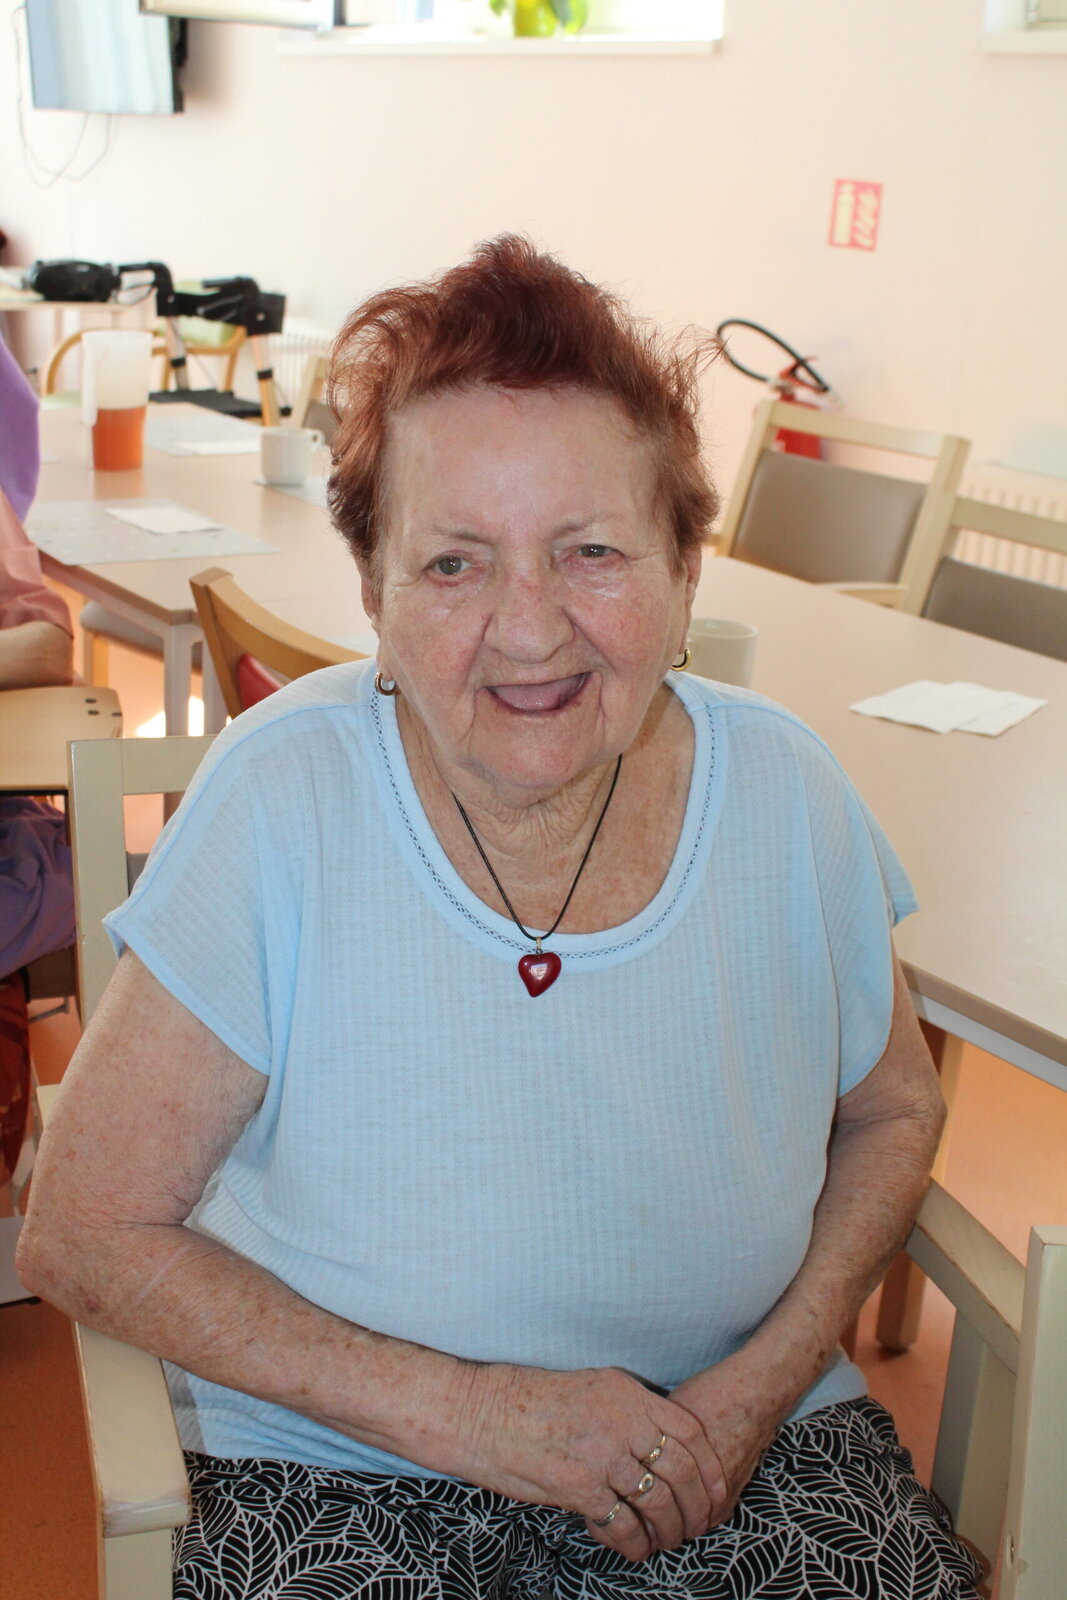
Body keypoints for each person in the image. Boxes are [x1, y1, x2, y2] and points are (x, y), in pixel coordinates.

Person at [18, 238, 981, 1600]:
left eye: (591, 552)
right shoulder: (282, 800)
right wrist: (483, 1418)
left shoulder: (787, 792)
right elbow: (85, 1231)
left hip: (734, 1449)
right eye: (455, 564)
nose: (530, 631)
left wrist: (763, 1384)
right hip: (349, 1463)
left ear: (686, 570)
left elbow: (892, 1112)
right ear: (373, 592)